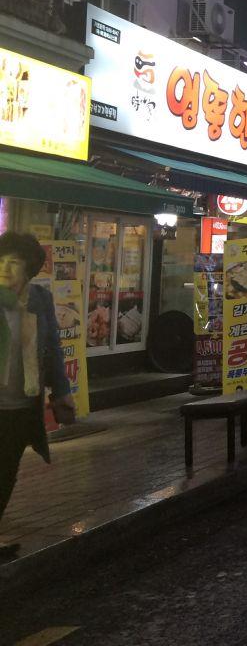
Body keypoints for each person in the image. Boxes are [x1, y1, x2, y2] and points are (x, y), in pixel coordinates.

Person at [0, 231, 75, 561]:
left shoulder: (39, 300)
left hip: (21, 406)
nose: (5, 268)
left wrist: (61, 393)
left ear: (29, 268)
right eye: (1, 261)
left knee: (5, 474)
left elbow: (52, 351)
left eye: (14, 262)